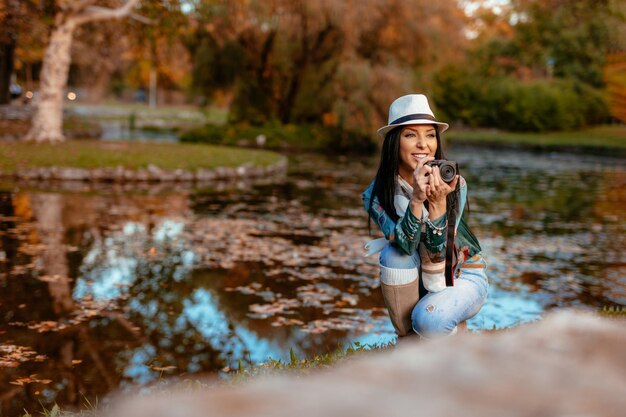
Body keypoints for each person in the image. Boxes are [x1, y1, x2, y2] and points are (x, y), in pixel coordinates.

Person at [362, 94, 489, 340]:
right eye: (411, 135)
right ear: (394, 142)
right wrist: (417, 200)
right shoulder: (377, 194)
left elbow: (440, 262)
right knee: (393, 254)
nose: (423, 144)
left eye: (430, 135)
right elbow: (405, 245)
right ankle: (408, 338)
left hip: (460, 274)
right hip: (415, 276)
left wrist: (439, 203)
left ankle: (445, 327)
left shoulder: (453, 184)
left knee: (429, 320)